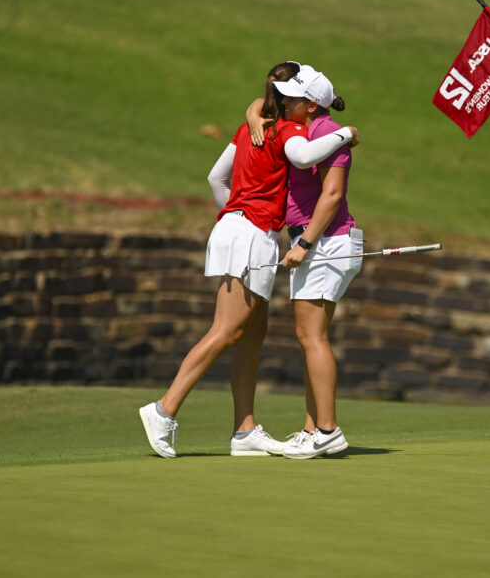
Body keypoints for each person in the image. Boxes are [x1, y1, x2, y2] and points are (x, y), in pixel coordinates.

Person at [138, 63, 359, 458]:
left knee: (251, 335)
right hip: (251, 234)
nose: (282, 97)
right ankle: (163, 410)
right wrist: (347, 133)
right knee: (226, 330)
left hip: (239, 229)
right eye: (283, 94)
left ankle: (245, 431)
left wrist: (235, 215)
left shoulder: (250, 126)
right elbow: (306, 155)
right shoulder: (291, 130)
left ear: (309, 103)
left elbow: (214, 179)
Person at [245, 68, 360, 458]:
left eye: (290, 99)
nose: (282, 104)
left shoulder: (328, 133)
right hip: (316, 242)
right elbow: (260, 105)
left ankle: (328, 430)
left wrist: (305, 243)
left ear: (311, 105)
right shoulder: (309, 129)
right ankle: (312, 429)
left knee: (312, 337)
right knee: (310, 337)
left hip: (325, 241)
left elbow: (332, 194)